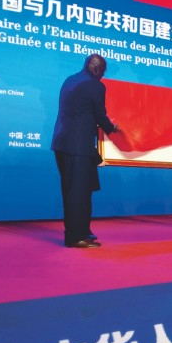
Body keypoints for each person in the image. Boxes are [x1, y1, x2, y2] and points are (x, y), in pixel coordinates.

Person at [51, 54, 118, 248]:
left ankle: (83, 230)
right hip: (77, 146)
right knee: (78, 193)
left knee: (78, 190)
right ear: (97, 69)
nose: (103, 75)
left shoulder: (70, 80)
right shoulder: (95, 85)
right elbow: (100, 117)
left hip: (63, 143)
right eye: (103, 71)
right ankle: (75, 237)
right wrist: (115, 129)